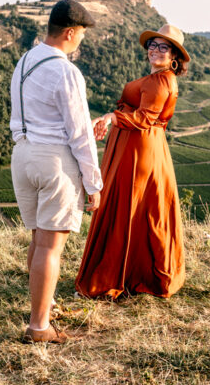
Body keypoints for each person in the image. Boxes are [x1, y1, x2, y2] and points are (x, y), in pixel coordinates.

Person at [10, 0, 102, 344]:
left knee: (37, 238)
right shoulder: (66, 71)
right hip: (53, 160)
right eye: (81, 35)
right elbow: (79, 133)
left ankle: (44, 304)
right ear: (69, 32)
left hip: (23, 155)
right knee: (50, 246)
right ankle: (39, 327)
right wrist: (93, 182)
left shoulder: (25, 61)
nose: (80, 41)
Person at [74, 24, 189, 299]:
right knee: (134, 209)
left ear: (174, 55)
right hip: (136, 144)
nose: (155, 50)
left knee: (126, 207)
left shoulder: (162, 81)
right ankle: (128, 273)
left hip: (140, 149)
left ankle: (112, 276)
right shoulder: (156, 79)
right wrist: (109, 117)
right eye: (153, 45)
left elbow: (144, 119)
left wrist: (111, 118)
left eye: (163, 47)